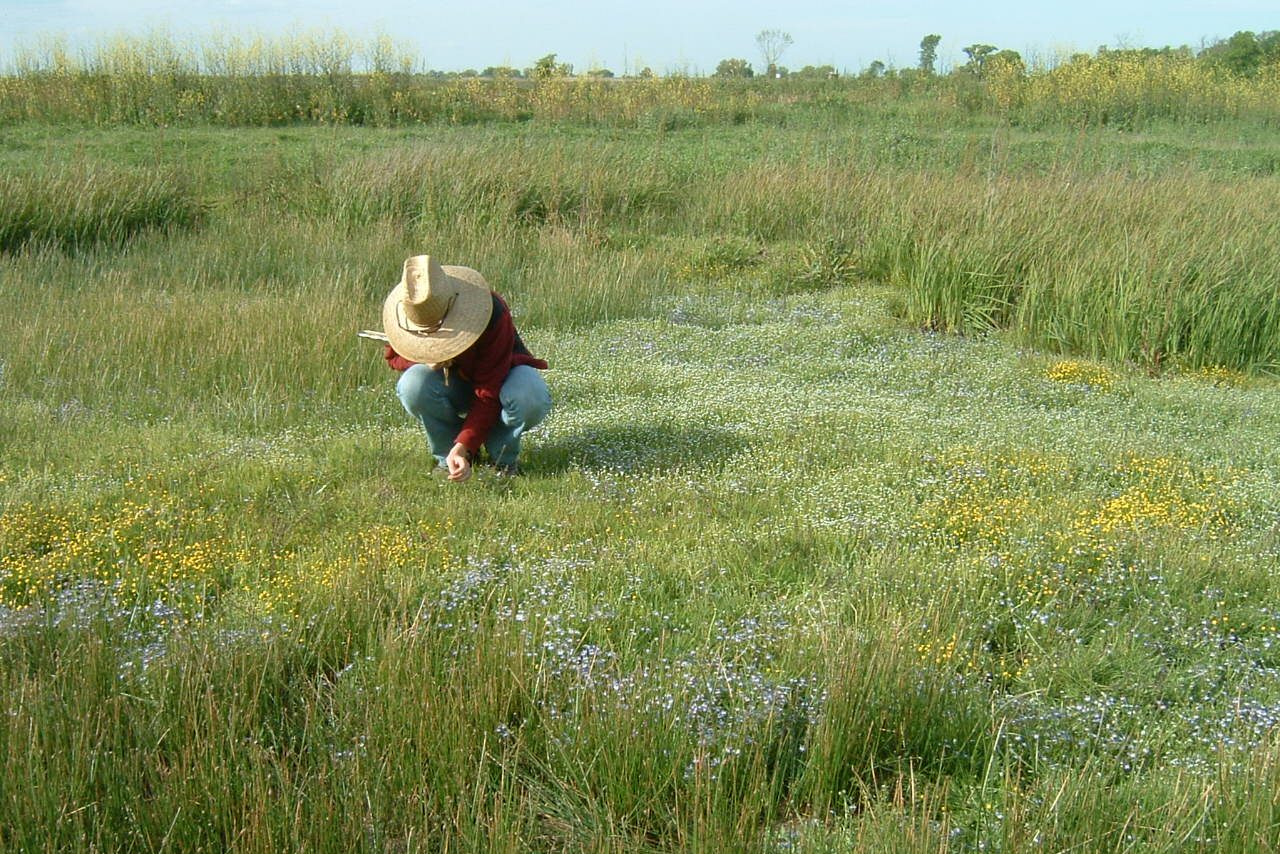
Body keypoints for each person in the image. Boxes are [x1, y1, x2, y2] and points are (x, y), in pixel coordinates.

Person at [382, 255, 550, 482]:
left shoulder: (491, 311)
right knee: (413, 384)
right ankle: (448, 458)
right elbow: (394, 357)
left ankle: (502, 459)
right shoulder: (417, 312)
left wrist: (466, 444)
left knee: (528, 395)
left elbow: (489, 391)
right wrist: (426, 359)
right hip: (458, 385)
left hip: (502, 379)